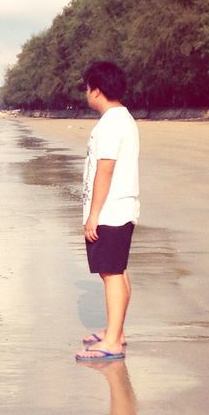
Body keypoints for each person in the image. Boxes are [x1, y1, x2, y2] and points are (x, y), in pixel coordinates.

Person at [75, 61, 140, 361]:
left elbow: (105, 169)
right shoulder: (122, 118)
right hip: (120, 208)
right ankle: (117, 331)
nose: (86, 94)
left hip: (111, 211)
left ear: (97, 90)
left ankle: (113, 340)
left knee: (111, 272)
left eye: (87, 88)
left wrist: (94, 215)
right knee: (117, 270)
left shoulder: (111, 123)